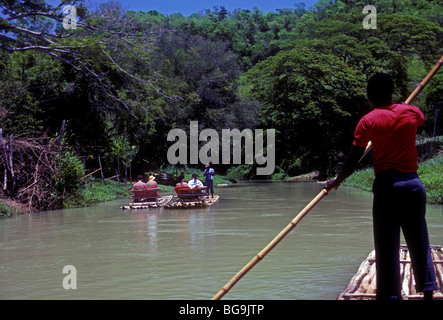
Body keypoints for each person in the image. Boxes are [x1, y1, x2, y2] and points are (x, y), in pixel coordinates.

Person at [324, 73, 438, 300]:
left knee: (387, 246)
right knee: (419, 241)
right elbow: (420, 120)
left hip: (387, 188)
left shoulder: (368, 120)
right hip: (414, 186)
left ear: (370, 97)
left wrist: (337, 181)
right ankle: (427, 291)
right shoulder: (411, 112)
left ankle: (390, 296)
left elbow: (352, 160)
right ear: (391, 93)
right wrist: (399, 108)